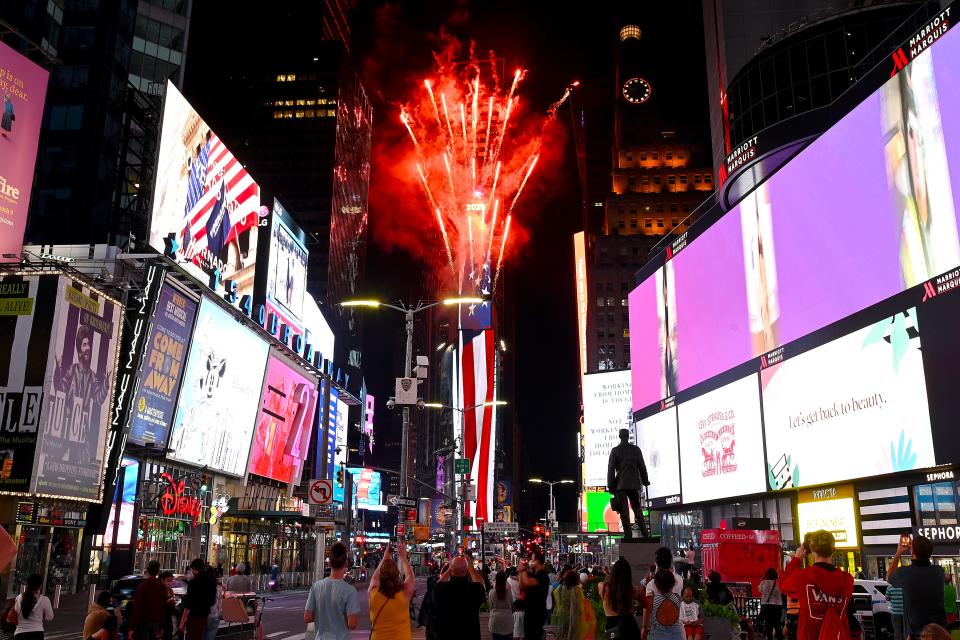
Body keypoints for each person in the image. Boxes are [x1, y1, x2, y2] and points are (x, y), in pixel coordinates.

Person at [779, 529, 857, 640]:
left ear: (812, 550)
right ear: (833, 550)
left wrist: (796, 559)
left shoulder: (802, 577)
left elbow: (782, 583)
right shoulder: (847, 579)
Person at [888, 535, 946, 638]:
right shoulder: (939, 571)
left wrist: (899, 552)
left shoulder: (904, 573)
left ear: (912, 551)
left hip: (916, 635)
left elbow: (889, 577)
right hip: (939, 633)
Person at [304, 542, 359, 640]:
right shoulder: (350, 591)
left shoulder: (316, 587)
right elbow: (352, 624)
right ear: (346, 563)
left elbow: (307, 617)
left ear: (329, 563)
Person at [607, 428, 650, 538]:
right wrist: (645, 480)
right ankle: (645, 534)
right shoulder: (636, 450)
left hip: (621, 485)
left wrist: (611, 486)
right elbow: (642, 466)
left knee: (624, 511)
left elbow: (611, 470)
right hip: (634, 484)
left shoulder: (615, 450)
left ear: (620, 437)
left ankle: (628, 535)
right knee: (637, 509)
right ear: (627, 436)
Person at [368, 541, 415, 640]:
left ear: (381, 575)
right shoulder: (404, 594)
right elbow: (410, 576)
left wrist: (385, 557)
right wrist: (403, 557)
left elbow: (374, 579)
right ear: (397, 574)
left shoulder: (373, 594)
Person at [432, 554, 486, 640]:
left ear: (451, 570)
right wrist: (470, 567)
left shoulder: (441, 589)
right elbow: (481, 584)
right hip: (470, 634)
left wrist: (450, 568)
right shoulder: (474, 590)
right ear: (466, 570)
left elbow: (439, 583)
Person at [599, 558, 641, 640]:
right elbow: (641, 600)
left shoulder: (602, 587)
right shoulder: (631, 589)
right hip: (630, 624)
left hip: (612, 625)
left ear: (613, 572)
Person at [128, 561, 169, 640]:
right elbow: (163, 608)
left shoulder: (143, 587)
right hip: (156, 622)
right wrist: (162, 626)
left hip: (143, 622)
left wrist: (131, 627)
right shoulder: (162, 588)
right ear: (158, 572)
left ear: (147, 570)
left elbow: (137, 608)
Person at [179, 560, 216, 640]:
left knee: (192, 636)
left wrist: (182, 622)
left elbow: (189, 603)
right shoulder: (211, 581)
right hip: (205, 615)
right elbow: (213, 600)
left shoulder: (194, 582)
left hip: (194, 616)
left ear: (194, 569)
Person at [519, 549, 551, 640]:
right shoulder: (533, 574)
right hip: (529, 612)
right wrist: (521, 572)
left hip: (536, 613)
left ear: (537, 561)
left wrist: (523, 570)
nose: (530, 561)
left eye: (532, 559)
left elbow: (528, 582)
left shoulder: (542, 575)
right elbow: (522, 586)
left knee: (534, 636)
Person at [643, 570, 684, 640]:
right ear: (672, 584)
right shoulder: (677, 598)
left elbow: (646, 611)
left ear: (657, 585)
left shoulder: (652, 600)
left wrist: (644, 628)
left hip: (657, 634)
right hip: (676, 634)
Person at [12, 575, 52, 640]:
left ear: (28, 584)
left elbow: (16, 611)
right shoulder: (45, 599)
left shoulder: (19, 598)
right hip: (37, 633)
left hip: (20, 633)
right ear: (40, 586)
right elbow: (49, 617)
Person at [551, 571, 588, 640]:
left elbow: (556, 597)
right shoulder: (577, 589)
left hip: (563, 614)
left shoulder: (560, 588)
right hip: (574, 615)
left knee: (563, 634)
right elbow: (581, 603)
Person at [759, 568, 784, 640]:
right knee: (777, 624)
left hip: (767, 606)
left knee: (768, 624)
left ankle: (769, 638)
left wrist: (762, 580)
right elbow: (782, 592)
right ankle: (780, 638)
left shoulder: (764, 583)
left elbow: (760, 590)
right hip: (778, 606)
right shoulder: (779, 583)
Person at [490, 572, 515, 640]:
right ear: (505, 580)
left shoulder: (491, 592)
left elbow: (490, 605)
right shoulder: (509, 592)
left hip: (495, 620)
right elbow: (511, 603)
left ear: (496, 580)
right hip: (507, 620)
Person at [204, 573, 224, 640]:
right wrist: (220, 614)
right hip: (214, 616)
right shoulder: (219, 588)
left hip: (203, 616)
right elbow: (220, 604)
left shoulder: (202, 587)